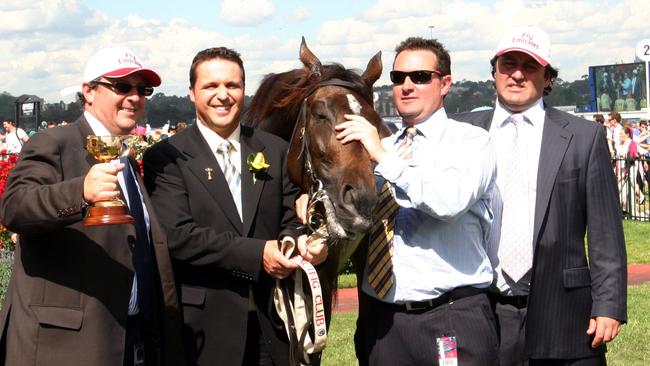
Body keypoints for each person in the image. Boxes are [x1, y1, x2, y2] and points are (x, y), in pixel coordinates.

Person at [454, 26, 627, 365]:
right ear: (494, 72)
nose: (517, 74)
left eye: (529, 66)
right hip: (482, 312)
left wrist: (609, 305)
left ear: (548, 78)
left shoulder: (584, 136)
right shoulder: (462, 132)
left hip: (565, 314)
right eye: (508, 64)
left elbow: (606, 233)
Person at [143, 47, 326, 366]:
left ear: (245, 90)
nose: (222, 95)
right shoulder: (166, 157)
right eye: (211, 86)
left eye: (232, 85)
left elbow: (291, 218)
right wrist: (260, 255)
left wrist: (298, 242)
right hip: (204, 332)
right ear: (191, 93)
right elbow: (179, 237)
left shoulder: (275, 150)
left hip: (275, 324)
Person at [0, 47, 183, 365]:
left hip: (130, 339)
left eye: (143, 89)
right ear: (88, 91)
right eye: (121, 87)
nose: (134, 97)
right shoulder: (53, 143)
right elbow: (15, 208)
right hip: (64, 347)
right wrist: (80, 193)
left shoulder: (126, 159)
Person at [334, 37, 498, 365]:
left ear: (445, 83)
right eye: (398, 78)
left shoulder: (470, 141)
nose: (407, 86)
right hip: (383, 321)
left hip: (450, 315)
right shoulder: (378, 148)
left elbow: (449, 202)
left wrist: (381, 155)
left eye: (420, 77)